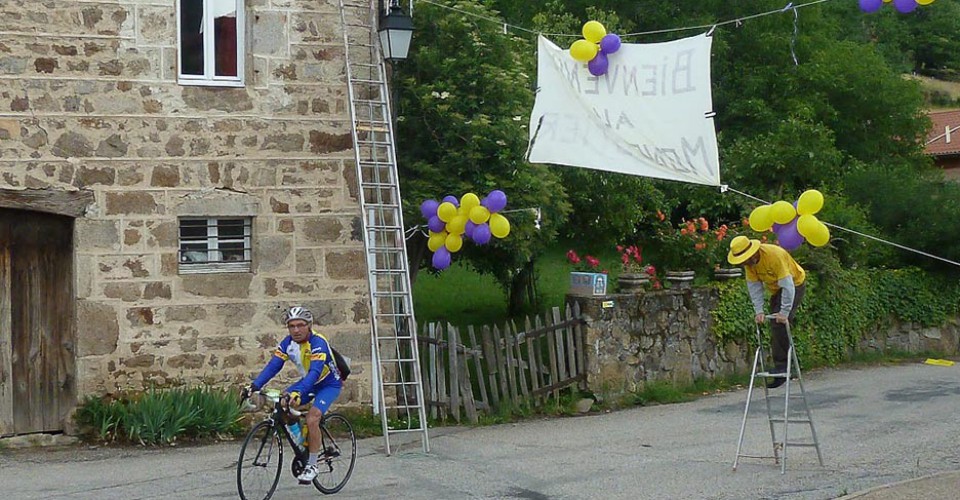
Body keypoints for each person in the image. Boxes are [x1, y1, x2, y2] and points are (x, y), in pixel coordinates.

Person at [248, 306, 344, 483]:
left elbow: (315, 372)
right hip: (308, 381)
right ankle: (302, 444)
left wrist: (299, 392)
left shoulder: (318, 343)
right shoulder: (287, 343)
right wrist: (254, 386)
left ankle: (312, 465)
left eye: (300, 325)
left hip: (328, 383)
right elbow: (273, 366)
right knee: (284, 404)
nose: (296, 330)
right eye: (291, 326)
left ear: (309, 325)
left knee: (312, 418)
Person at [727, 236, 807, 389]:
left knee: (780, 322)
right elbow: (754, 288)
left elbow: (788, 286)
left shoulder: (774, 256)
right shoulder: (749, 265)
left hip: (795, 283)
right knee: (774, 323)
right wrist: (758, 311)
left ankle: (785, 367)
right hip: (776, 289)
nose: (744, 263)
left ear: (753, 253)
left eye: (745, 259)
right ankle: (782, 366)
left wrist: (784, 312)